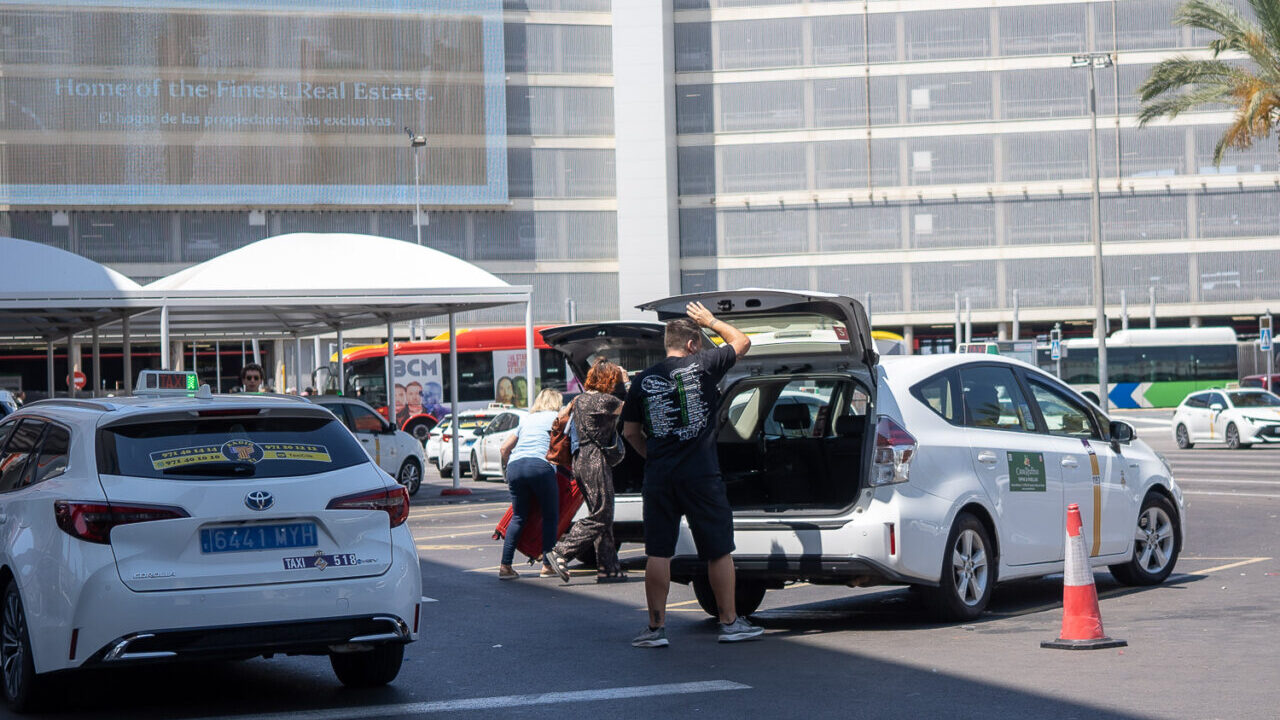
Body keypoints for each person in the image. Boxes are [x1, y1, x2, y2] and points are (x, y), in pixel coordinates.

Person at [622, 301, 763, 647]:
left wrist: (653, 455)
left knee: (658, 551)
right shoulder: (703, 364)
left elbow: (629, 433)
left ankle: (655, 629)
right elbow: (742, 342)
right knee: (717, 550)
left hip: (659, 476)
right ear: (691, 344)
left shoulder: (643, 380)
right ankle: (729, 623)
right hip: (700, 475)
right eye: (699, 339)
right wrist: (710, 320)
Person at [551, 361, 627, 583]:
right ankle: (561, 550)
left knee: (600, 513)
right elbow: (631, 404)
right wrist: (627, 381)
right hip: (595, 460)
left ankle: (608, 568)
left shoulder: (581, 399)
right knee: (602, 515)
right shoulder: (603, 400)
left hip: (580, 459)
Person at [498, 388, 572, 583]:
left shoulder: (526, 419)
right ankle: (547, 565)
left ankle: (505, 565)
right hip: (540, 466)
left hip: (515, 466)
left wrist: (507, 468)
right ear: (556, 402)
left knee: (519, 516)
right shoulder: (558, 417)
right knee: (550, 516)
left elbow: (504, 448)